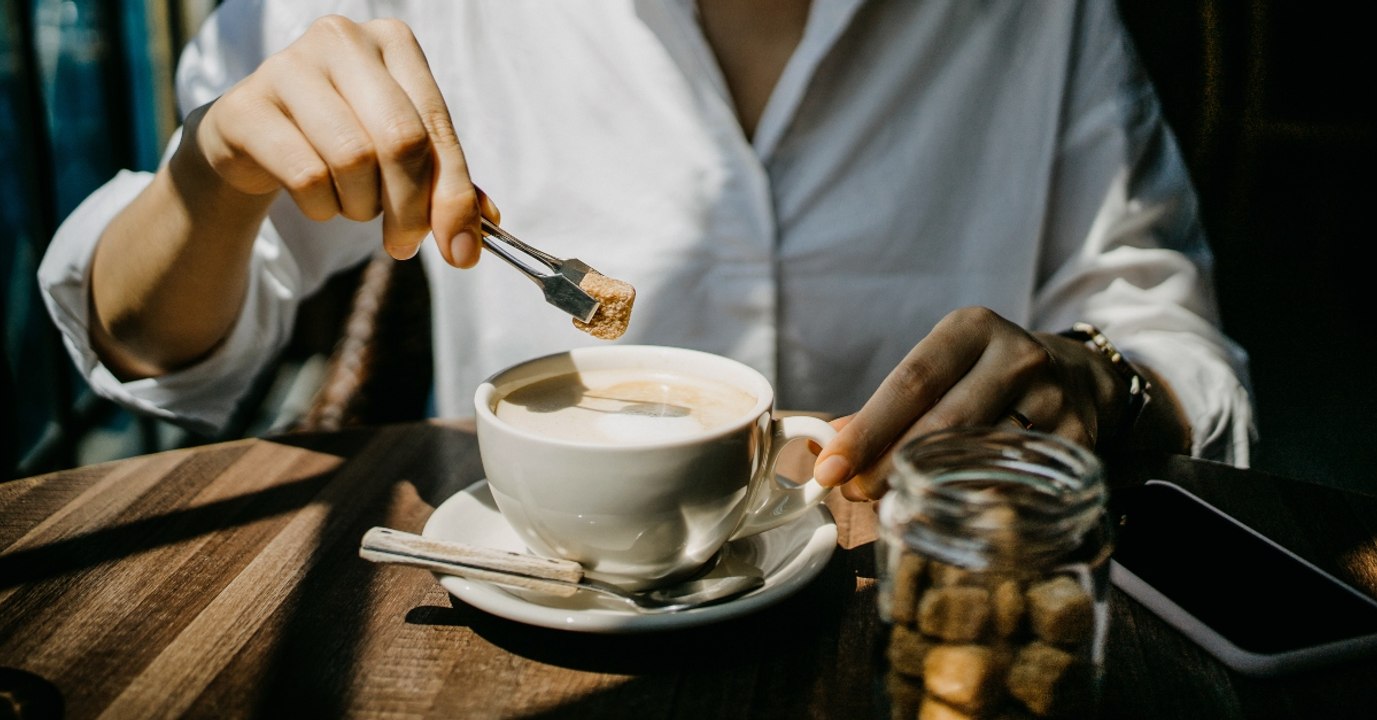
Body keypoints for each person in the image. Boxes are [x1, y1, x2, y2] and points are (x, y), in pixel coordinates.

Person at [38, 0, 1254, 501]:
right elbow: (148, 345)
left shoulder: (1044, 22)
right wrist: (213, 179)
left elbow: (1182, 359)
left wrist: (1105, 381)